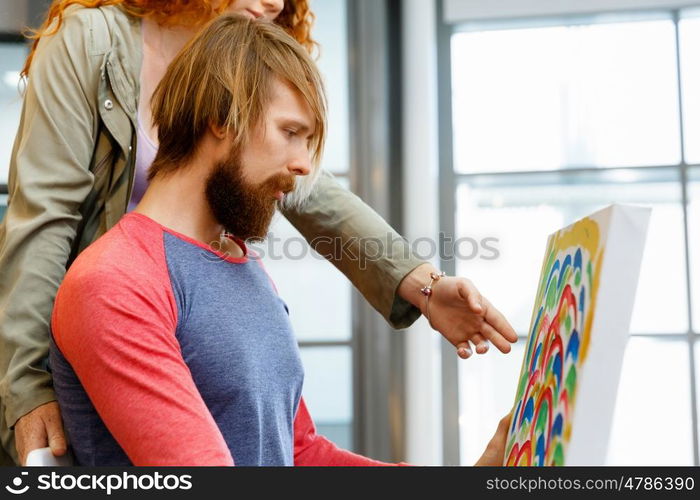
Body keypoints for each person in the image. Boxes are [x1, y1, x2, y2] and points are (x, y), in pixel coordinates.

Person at [0, 0, 517, 465]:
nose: (274, 3)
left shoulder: (248, 266)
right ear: (221, 114)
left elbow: (301, 452)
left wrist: (422, 285)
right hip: (119, 313)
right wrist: (28, 387)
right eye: (290, 133)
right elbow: (43, 218)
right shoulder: (92, 41)